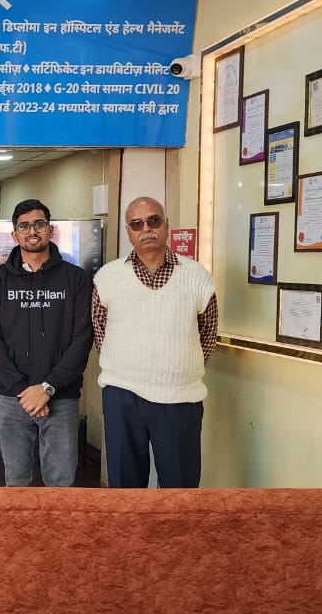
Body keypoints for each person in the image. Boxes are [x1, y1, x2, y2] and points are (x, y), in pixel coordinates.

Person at [93, 196, 217, 488]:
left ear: (166, 225)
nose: (146, 229)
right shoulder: (107, 277)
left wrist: (176, 366)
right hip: (122, 395)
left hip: (180, 398)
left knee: (180, 489)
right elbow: (101, 333)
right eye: (136, 224)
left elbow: (208, 335)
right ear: (128, 231)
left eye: (153, 220)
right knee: (124, 488)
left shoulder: (197, 277)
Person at [0, 199, 93, 488]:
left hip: (61, 397)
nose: (32, 231)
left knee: (61, 483)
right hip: (12, 398)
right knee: (16, 482)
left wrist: (47, 388)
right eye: (24, 226)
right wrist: (24, 391)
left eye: (39, 224)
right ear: (14, 234)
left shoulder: (76, 278)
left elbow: (83, 337)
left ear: (50, 230)